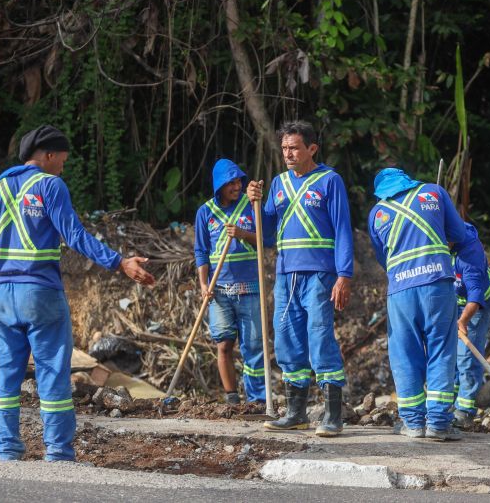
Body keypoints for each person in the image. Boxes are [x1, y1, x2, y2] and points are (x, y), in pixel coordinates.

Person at [0, 125, 155, 461]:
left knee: (5, 377)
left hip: (1, 294)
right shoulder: (50, 185)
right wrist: (119, 262)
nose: (64, 164)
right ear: (47, 155)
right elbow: (74, 235)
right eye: (62, 157)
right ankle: (58, 451)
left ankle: (6, 449)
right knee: (52, 372)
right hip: (39, 294)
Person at [247, 120, 354, 437]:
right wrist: (253, 201)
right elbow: (266, 234)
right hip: (285, 274)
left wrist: (344, 275)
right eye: (284, 148)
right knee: (285, 340)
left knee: (320, 338)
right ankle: (296, 413)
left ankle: (333, 415)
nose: (288, 153)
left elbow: (343, 230)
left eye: (294, 147)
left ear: (311, 149)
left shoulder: (330, 181)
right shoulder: (278, 184)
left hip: (320, 274)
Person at [367, 167, 474, 441]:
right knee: (441, 350)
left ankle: (413, 424)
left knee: (404, 355)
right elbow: (460, 234)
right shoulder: (433, 192)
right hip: (437, 284)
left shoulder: (377, 213)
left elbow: (384, 258)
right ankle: (438, 424)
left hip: (401, 290)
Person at [194, 159, 266, 405]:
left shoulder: (251, 205)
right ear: (219, 186)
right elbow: (201, 252)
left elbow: (265, 241)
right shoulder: (205, 212)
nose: (236, 187)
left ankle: (258, 400)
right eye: (231, 183)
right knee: (224, 343)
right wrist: (204, 285)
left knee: (254, 347)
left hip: (251, 288)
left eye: (239, 182)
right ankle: (232, 398)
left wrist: (243, 234)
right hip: (219, 290)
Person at [451, 223, 490, 428]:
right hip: (453, 301)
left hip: (477, 307)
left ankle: (465, 410)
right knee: (450, 355)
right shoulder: (437, 241)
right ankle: (448, 404)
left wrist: (463, 321)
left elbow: (475, 297)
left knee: (466, 356)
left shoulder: (470, 255)